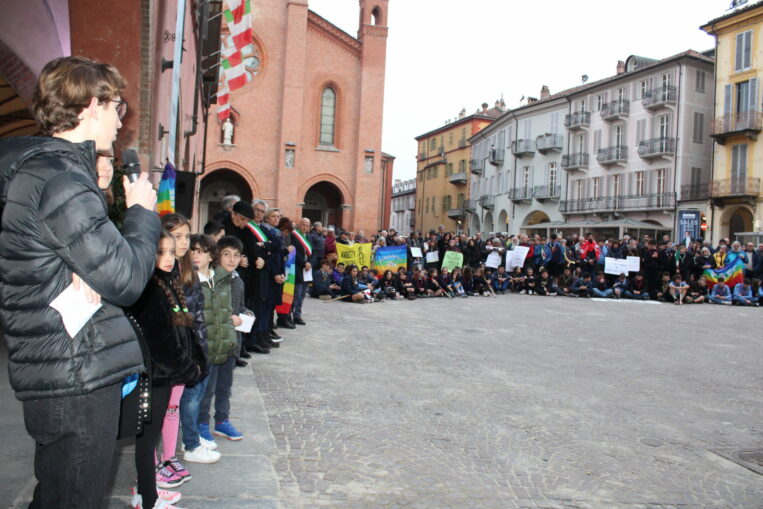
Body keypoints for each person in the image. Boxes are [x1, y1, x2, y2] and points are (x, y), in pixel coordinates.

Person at [0, 56, 160, 508]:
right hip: (75, 373)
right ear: (93, 105)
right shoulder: (60, 179)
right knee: (72, 499)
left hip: (67, 368)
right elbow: (126, 278)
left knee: (58, 494)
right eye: (117, 107)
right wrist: (143, 215)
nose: (119, 119)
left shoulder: (48, 173)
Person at [129, 230, 206, 509]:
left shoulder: (167, 282)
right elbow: (161, 343)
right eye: (161, 252)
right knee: (147, 439)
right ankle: (147, 498)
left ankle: (147, 492)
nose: (168, 258)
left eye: (172, 252)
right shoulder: (149, 290)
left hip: (167, 375)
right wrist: (189, 369)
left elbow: (184, 330)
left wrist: (197, 359)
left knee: (150, 436)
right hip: (155, 376)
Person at [159, 213, 209, 485]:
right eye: (177, 235)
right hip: (164, 354)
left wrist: (199, 351)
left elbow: (197, 316)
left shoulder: (188, 272)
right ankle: (155, 463)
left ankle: (169, 456)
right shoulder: (160, 269)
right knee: (158, 409)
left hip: (184, 350)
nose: (183, 241)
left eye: (187, 236)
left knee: (173, 407)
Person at [198, 235, 248, 450]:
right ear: (217, 255)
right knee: (207, 387)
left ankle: (221, 420)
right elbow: (206, 310)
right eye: (227, 254)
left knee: (225, 386)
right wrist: (227, 318)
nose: (231, 259)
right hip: (213, 342)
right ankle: (201, 423)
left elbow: (240, 307)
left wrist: (246, 316)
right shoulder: (210, 279)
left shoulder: (238, 281)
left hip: (231, 342)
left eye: (236, 255)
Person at [291, 218, 313, 325]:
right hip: (298, 269)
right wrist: (304, 263)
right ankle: (289, 315)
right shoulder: (294, 236)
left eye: (307, 225)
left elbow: (313, 254)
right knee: (296, 294)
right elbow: (294, 253)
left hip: (307, 270)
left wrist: (310, 263)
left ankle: (297, 315)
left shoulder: (309, 237)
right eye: (303, 224)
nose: (305, 227)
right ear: (299, 225)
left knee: (303, 294)